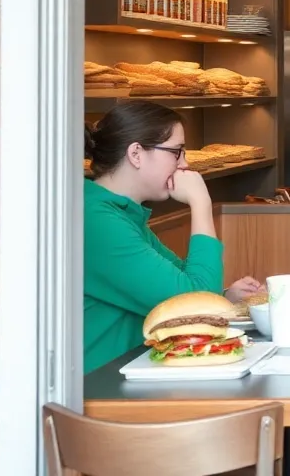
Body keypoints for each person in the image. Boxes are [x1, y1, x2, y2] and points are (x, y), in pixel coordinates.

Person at [83, 101, 261, 374]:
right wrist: (200, 203)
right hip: (98, 388)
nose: (185, 164)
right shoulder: (97, 221)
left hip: (131, 375)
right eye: (176, 152)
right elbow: (195, 296)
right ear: (136, 154)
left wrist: (227, 296)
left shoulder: (119, 214)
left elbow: (183, 288)